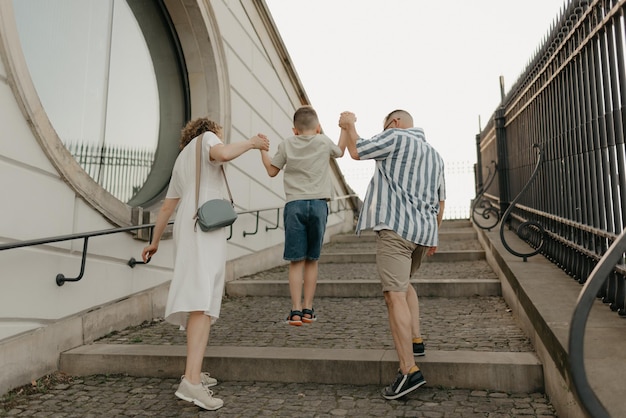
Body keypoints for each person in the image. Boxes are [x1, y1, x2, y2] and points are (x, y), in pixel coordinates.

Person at [141, 118, 269, 411]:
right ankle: (191, 384)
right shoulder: (210, 138)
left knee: (199, 298)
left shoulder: (182, 158)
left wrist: (155, 241)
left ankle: (194, 373)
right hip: (204, 226)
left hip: (189, 224)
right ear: (209, 129)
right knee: (201, 300)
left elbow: (166, 207)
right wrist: (252, 143)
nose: (220, 137)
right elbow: (222, 154)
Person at [338, 109, 445, 400]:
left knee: (394, 295)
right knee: (404, 284)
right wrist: (434, 234)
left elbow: (357, 151)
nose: (384, 131)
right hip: (422, 235)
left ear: (395, 123)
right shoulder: (434, 154)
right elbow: (440, 198)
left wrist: (348, 125)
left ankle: (409, 371)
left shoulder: (396, 137)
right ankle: (416, 339)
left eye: (384, 126)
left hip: (397, 231)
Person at [260, 105, 346, 326]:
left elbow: (271, 170)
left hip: (295, 204)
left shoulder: (287, 144)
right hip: (318, 204)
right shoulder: (323, 141)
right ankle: (308, 308)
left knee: (296, 261)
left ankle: (295, 310)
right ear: (318, 127)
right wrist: (344, 128)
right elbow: (341, 151)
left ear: (294, 129)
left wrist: (262, 150)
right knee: (312, 260)